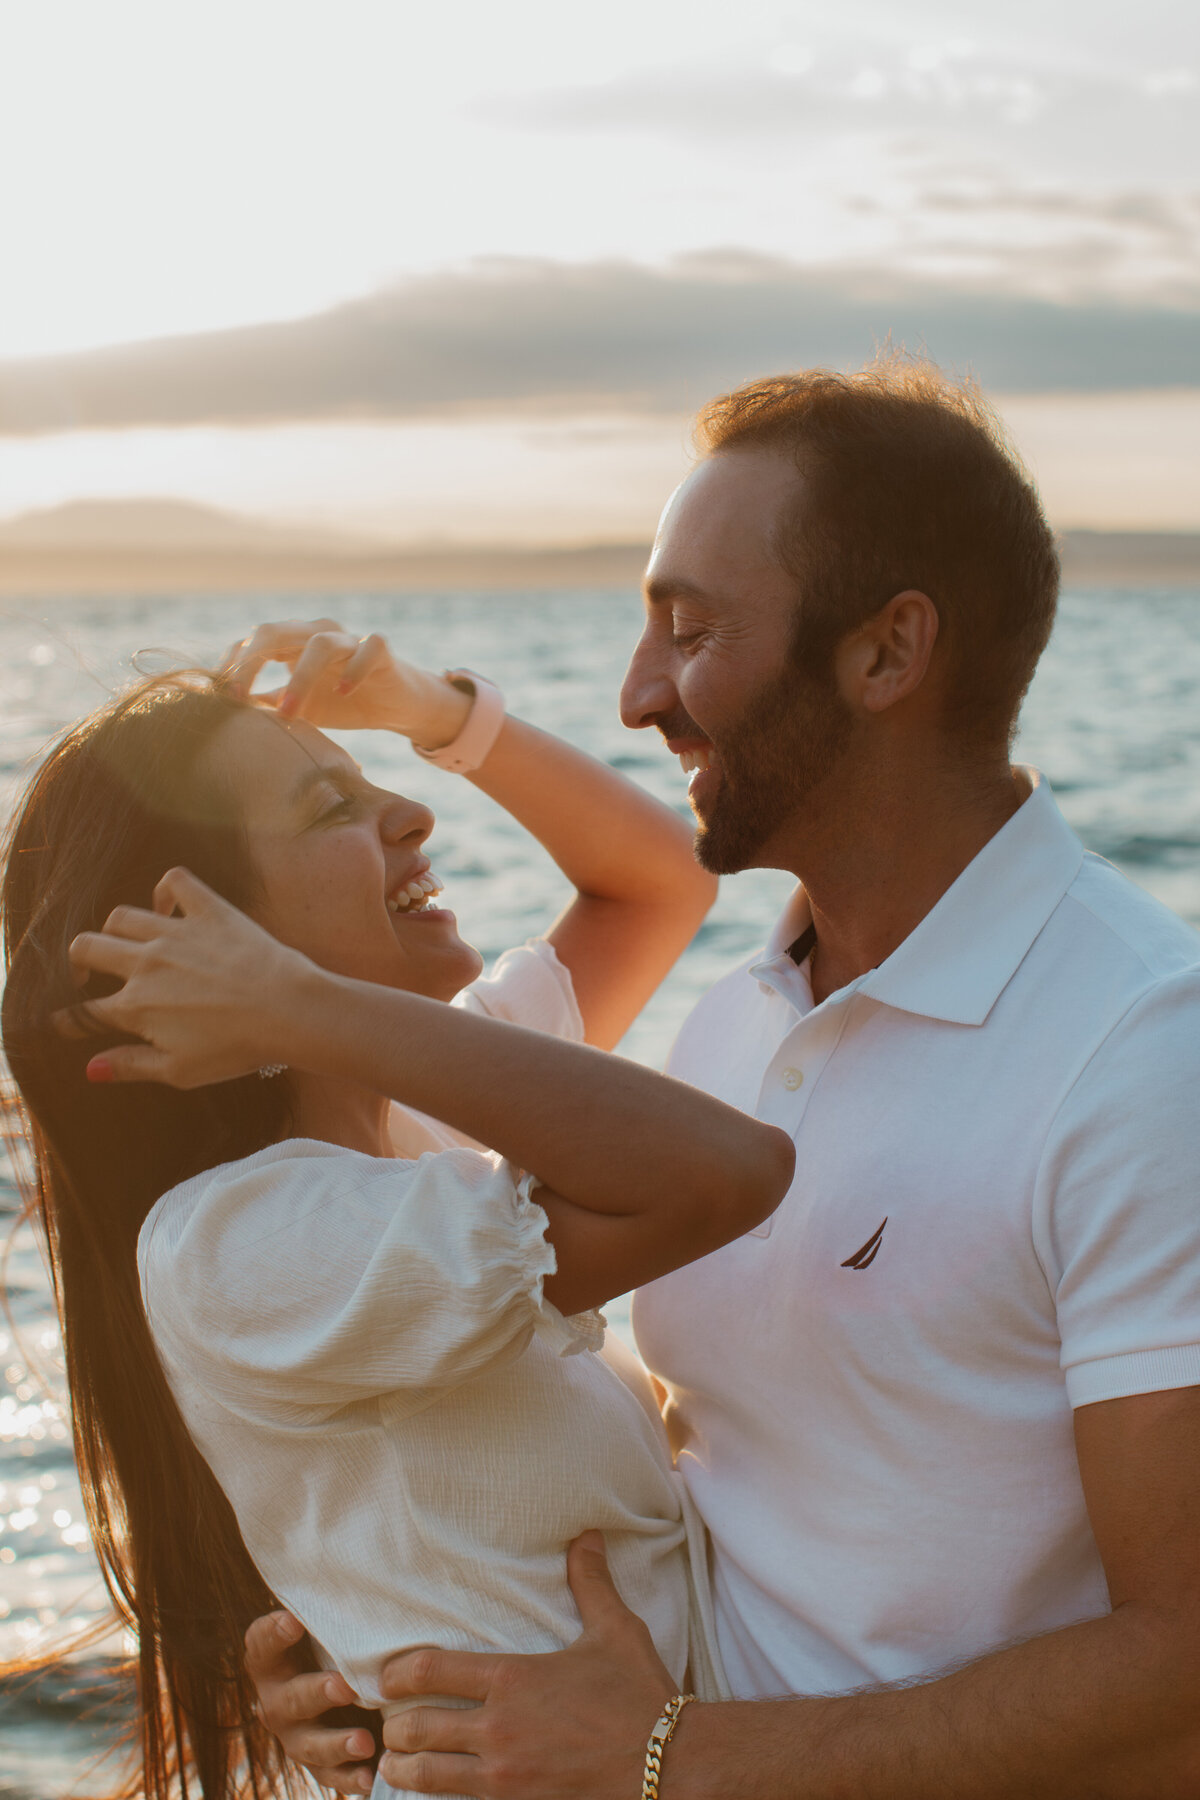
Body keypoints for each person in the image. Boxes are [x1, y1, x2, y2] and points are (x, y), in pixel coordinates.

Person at [232, 358, 1200, 1799]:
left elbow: (1182, 1663)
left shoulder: (1141, 1050)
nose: (637, 697)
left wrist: (671, 1755)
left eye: (688, 635)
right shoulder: (745, 1017)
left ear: (887, 655)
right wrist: (394, 1639)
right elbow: (734, 1473)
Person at [2, 650, 794, 1800]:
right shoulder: (240, 1238)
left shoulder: (416, 1123)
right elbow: (722, 1172)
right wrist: (295, 1003)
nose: (412, 812)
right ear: (209, 934)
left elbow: (661, 878)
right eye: (334, 808)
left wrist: (433, 713)